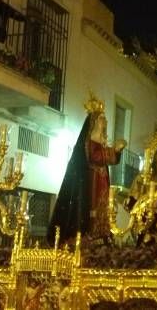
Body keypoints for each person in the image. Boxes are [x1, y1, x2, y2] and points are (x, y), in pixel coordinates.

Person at [48, 93, 127, 244]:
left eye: (105, 118)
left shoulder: (101, 142)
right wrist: (114, 150)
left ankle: (101, 235)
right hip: (92, 182)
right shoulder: (89, 141)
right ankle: (89, 235)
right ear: (95, 121)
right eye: (102, 118)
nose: (106, 120)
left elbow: (112, 160)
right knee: (93, 209)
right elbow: (95, 157)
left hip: (102, 181)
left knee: (103, 209)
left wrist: (117, 151)